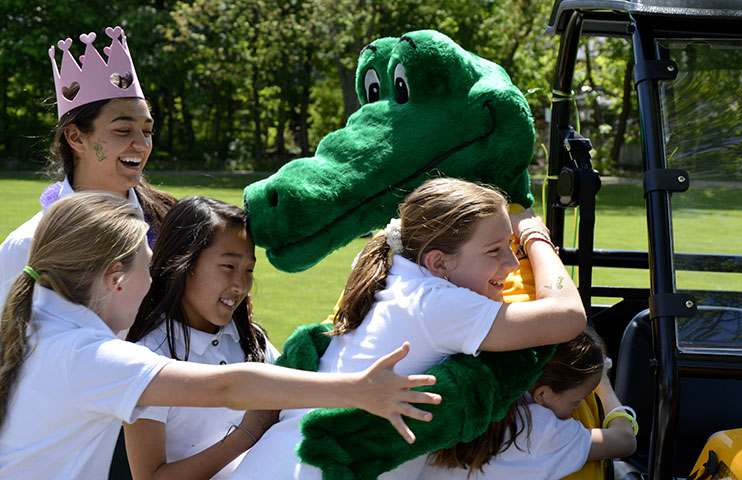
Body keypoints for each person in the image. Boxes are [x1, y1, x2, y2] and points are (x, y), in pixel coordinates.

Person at [0, 192, 441, 479]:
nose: (152, 279)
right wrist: (359, 390)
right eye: (145, 266)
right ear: (115, 277)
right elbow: (230, 388)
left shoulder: (41, 322)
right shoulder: (91, 355)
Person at [231, 177, 588, 479]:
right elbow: (568, 316)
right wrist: (534, 237)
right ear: (438, 262)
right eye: (495, 251)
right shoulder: (435, 302)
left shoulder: (395, 274)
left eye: (510, 248)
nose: (511, 264)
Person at [0, 25, 176, 303]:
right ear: (75, 137)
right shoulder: (28, 245)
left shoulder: (172, 226)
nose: (141, 145)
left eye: (147, 130)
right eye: (122, 130)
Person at [120, 195, 280, 479]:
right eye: (229, 267)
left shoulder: (251, 340)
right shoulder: (148, 358)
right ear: (184, 263)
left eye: (249, 270)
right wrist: (247, 433)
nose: (241, 284)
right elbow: (149, 476)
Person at [419, 328, 638, 479]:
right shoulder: (540, 431)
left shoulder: (461, 395)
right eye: (576, 402)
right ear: (542, 394)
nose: (575, 409)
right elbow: (625, 441)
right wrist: (604, 384)